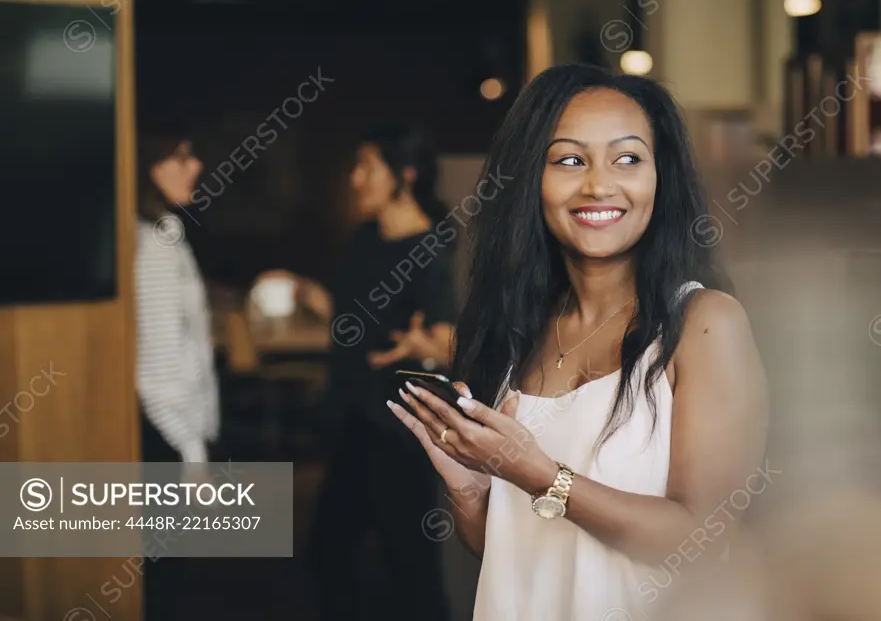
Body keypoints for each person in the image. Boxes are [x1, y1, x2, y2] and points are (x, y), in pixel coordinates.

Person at [389, 63, 770, 621]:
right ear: (530, 180)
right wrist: (473, 492)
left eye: (628, 159)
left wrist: (537, 473)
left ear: (660, 177)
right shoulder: (514, 330)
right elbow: (517, 551)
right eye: (569, 160)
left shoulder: (706, 324)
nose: (598, 184)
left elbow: (701, 541)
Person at [295, 126, 457, 621]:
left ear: (404, 175)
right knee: (329, 551)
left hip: (398, 430)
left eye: (367, 166)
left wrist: (427, 348)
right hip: (351, 420)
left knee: (409, 566)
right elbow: (357, 317)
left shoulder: (432, 249)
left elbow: (448, 338)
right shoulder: (364, 239)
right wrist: (307, 294)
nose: (354, 177)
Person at [135, 135, 219, 621]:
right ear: (149, 168)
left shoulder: (164, 234)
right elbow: (159, 361)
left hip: (167, 429)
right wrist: (190, 450)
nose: (197, 164)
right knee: (161, 577)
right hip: (161, 430)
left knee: (164, 569)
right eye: (181, 157)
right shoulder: (153, 246)